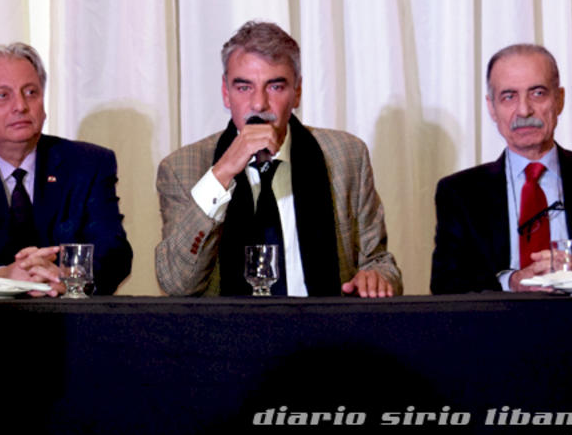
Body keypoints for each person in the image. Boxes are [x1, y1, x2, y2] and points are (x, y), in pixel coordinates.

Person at [155, 21, 401, 297]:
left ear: (297, 92)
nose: (259, 104)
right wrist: (221, 175)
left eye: (275, 87)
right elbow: (177, 284)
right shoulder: (181, 168)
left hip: (325, 335)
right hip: (227, 337)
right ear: (226, 93)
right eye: (244, 87)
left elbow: (379, 261)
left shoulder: (347, 155)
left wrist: (377, 278)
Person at [0, 42, 133, 296]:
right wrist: (2, 275)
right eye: (3, 96)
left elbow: (114, 252)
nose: (21, 106)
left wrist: (65, 274)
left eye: (30, 92)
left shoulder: (88, 164)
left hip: (73, 323)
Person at [431, 43, 572, 294]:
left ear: (559, 100)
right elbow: (445, 286)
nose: (525, 110)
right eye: (509, 96)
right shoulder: (459, 193)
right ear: (491, 108)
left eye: (538, 93)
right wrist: (512, 282)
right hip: (498, 329)